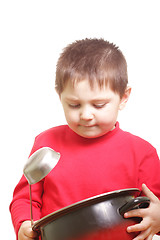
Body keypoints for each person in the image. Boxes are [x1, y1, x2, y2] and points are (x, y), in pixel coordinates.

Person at [10, 38, 160, 240]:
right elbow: (25, 199)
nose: (86, 115)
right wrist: (24, 224)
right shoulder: (46, 142)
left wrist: (157, 218)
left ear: (123, 97)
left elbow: (155, 205)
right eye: (74, 105)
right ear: (59, 95)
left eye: (98, 105)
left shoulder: (142, 152)